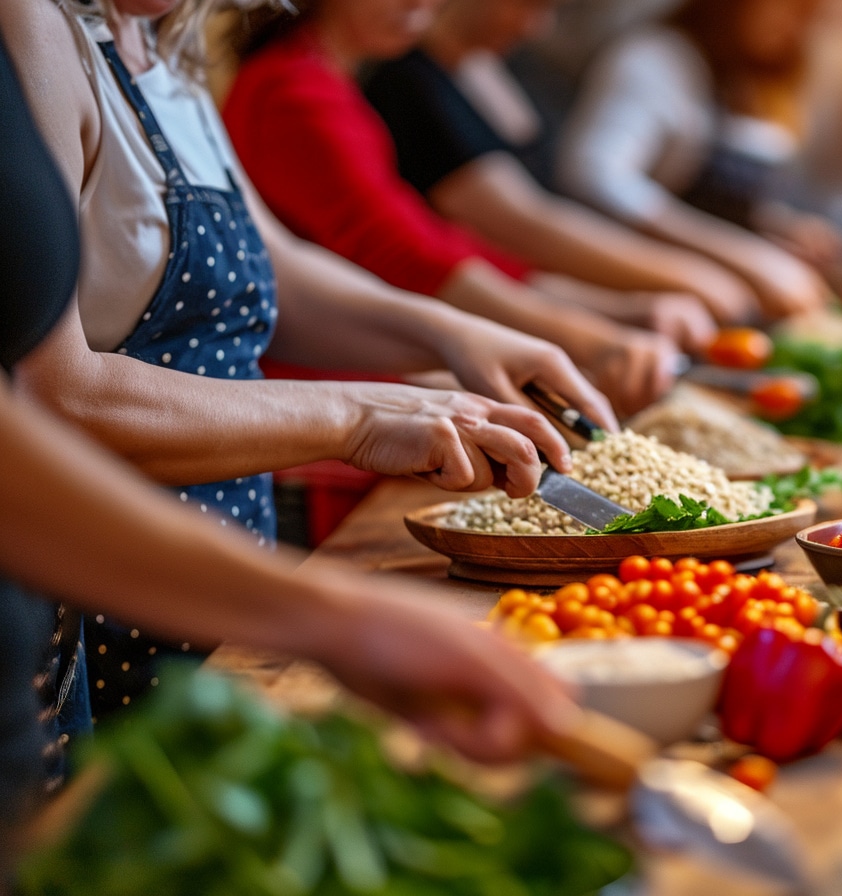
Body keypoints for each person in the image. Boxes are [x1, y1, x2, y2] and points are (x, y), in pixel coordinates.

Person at [0, 22, 575, 877]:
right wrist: (357, 418)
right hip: (122, 582)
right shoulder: (38, 30)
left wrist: (454, 337)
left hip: (220, 575)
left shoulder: (169, 55)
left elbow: (279, 267)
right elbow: (58, 395)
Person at [223, 0, 699, 413]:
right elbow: (409, 256)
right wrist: (591, 339)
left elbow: (443, 244)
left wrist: (608, 312)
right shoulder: (294, 89)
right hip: (317, 396)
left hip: (358, 375)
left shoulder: (325, 78)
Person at [359, 0, 758, 330]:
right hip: (467, 316)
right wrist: (685, 275)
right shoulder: (409, 79)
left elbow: (548, 208)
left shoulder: (499, 69)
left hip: (529, 296)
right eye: (525, 6)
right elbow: (519, 223)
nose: (536, 28)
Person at [555, 0, 842, 321]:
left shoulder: (737, 76)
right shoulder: (655, 58)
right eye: (789, 9)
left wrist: (776, 226)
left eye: (806, 15)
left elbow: (716, 199)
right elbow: (594, 177)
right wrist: (744, 256)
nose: (795, 27)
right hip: (618, 289)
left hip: (701, 302)